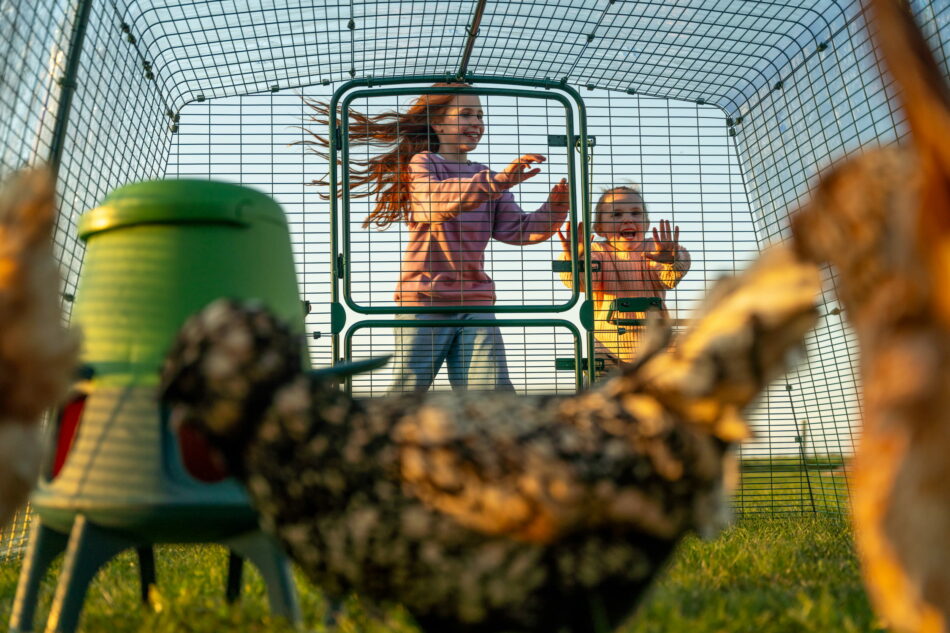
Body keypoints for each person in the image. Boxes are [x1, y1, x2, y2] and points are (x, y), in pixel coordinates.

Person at [304, 85, 569, 392]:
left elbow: (519, 230)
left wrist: (556, 205)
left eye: (480, 115)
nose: (477, 122)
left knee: (493, 394)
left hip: (476, 303)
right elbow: (435, 203)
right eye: (466, 114)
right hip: (424, 300)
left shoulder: (487, 176)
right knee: (408, 392)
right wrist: (498, 181)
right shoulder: (424, 164)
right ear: (438, 123)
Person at [558, 185, 690, 374]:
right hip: (608, 348)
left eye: (636, 213)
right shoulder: (597, 252)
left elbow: (669, 279)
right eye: (616, 215)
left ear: (645, 223)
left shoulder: (655, 249)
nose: (628, 218)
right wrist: (576, 259)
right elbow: (582, 283)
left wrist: (672, 259)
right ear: (599, 228)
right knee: (600, 388)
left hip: (657, 346)